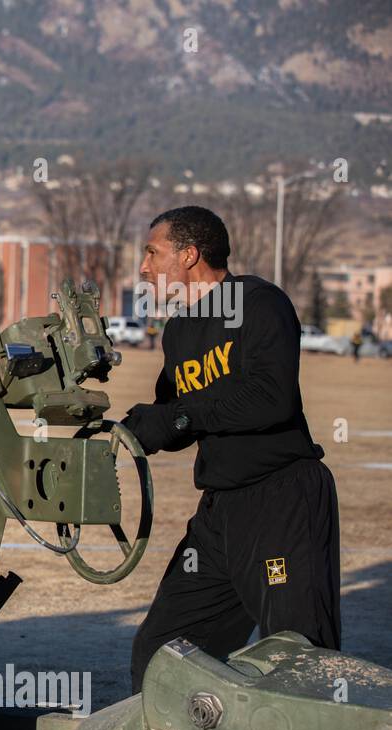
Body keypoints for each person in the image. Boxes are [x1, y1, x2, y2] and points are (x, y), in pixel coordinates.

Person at [121, 206, 340, 695]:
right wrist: (138, 424)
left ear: (190, 255)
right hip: (220, 514)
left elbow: (270, 397)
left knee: (296, 653)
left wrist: (180, 416)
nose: (144, 267)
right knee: (161, 651)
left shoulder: (260, 302)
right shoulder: (179, 331)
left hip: (281, 499)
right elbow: (177, 416)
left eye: (153, 253)